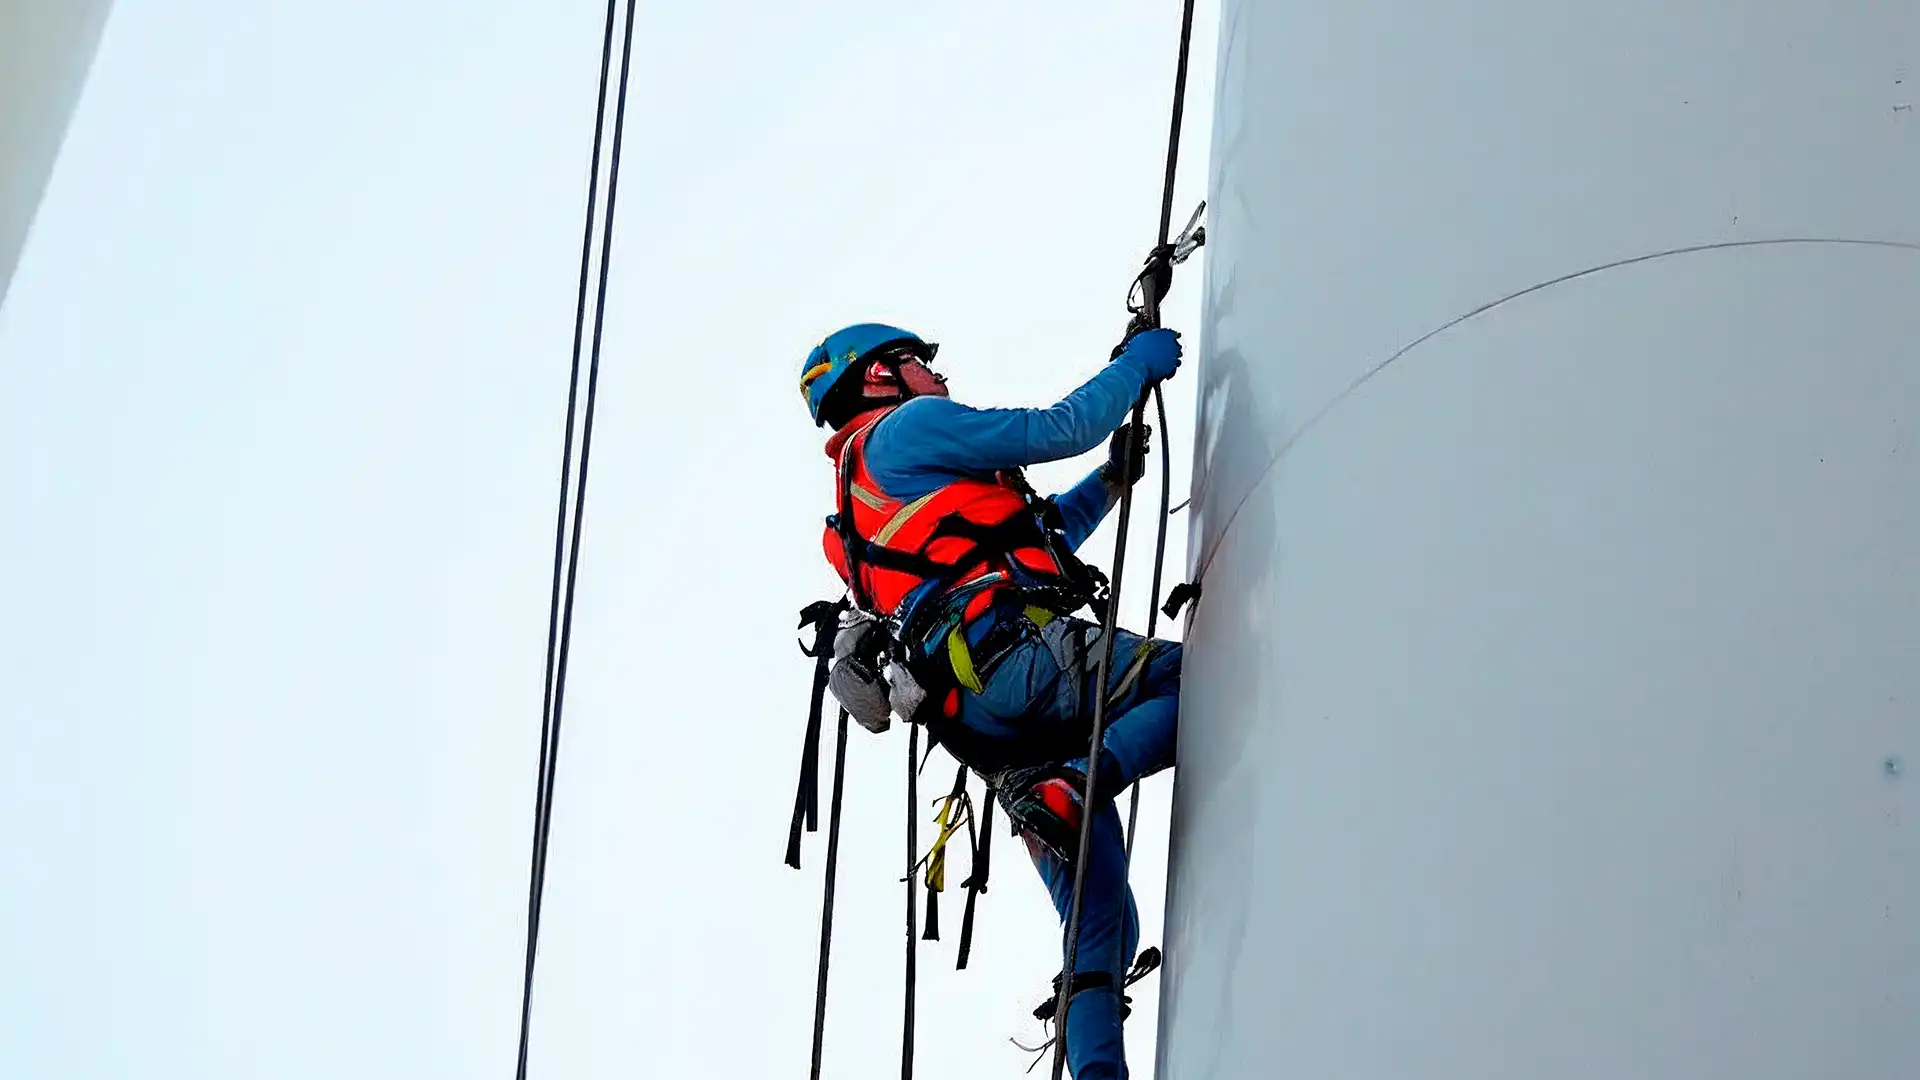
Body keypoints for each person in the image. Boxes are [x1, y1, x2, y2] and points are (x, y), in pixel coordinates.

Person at [800, 322, 1184, 1080]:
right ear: (880, 377)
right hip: (1009, 658)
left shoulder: (857, 511)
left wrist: (1109, 485)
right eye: (918, 363)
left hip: (977, 723)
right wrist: (1136, 369)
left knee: (1099, 927)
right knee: (1193, 683)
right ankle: (1079, 780)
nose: (937, 377)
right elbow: (1061, 427)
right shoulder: (909, 427)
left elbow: (1012, 540)